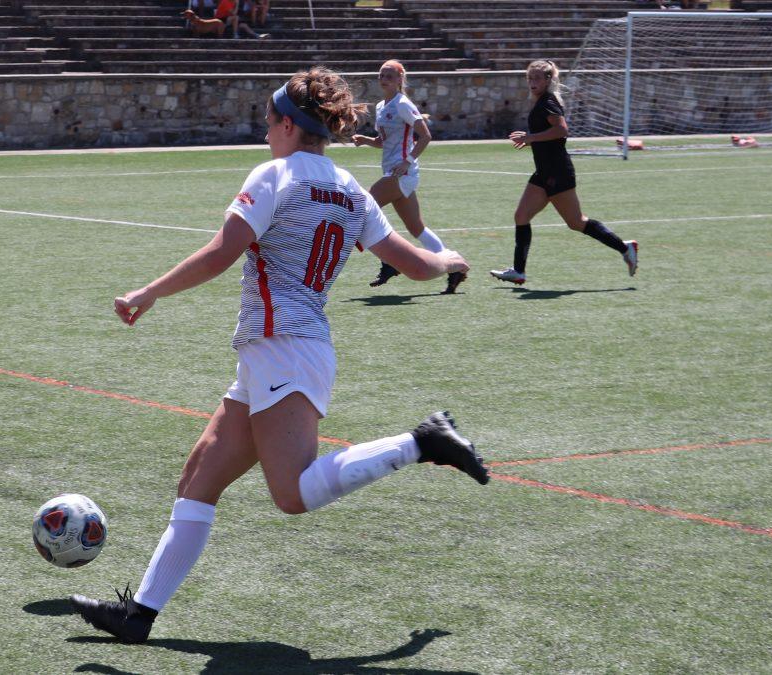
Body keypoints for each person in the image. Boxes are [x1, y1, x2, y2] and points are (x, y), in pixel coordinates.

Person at [69, 67, 489, 644]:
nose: (266, 132)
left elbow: (221, 253)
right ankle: (138, 617)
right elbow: (415, 263)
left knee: (291, 494)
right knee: (198, 479)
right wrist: (449, 260)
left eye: (268, 123)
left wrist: (149, 292)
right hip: (281, 352)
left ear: (288, 125)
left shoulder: (275, 175)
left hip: (284, 351)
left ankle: (422, 441)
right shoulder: (349, 186)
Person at [490, 60, 638, 286]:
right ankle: (518, 272)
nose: (532, 82)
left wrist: (530, 137)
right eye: (529, 78)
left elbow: (561, 130)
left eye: (537, 78)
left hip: (558, 172)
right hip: (544, 171)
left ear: (548, 80)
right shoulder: (542, 102)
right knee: (521, 216)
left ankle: (625, 248)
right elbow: (548, 134)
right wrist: (531, 139)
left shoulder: (548, 101)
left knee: (576, 222)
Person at [351, 60, 465, 294]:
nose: (384, 79)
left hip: (402, 173)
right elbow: (384, 142)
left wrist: (407, 162)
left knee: (364, 207)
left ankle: (389, 263)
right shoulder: (382, 106)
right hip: (393, 172)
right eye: (382, 75)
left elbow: (425, 136)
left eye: (390, 76)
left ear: (400, 79)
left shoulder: (403, 104)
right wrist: (366, 140)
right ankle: (455, 267)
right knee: (417, 228)